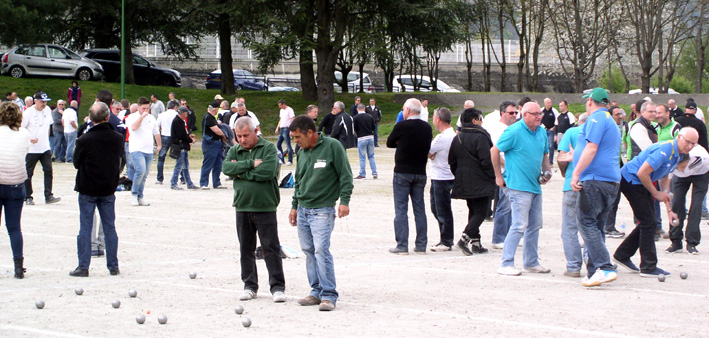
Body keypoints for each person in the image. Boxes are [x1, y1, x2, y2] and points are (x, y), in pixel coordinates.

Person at [288, 115, 353, 312]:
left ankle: (329, 295)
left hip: (323, 210)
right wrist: (294, 205)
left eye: (298, 137)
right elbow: (298, 180)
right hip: (303, 209)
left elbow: (345, 175)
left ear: (310, 132)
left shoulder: (332, 146)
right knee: (308, 251)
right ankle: (315, 291)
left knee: (321, 250)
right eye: (293, 138)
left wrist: (344, 201)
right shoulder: (302, 151)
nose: (295, 142)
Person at [613, 128, 698, 277]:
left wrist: (666, 197)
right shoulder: (665, 150)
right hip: (631, 179)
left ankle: (622, 255)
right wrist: (655, 192)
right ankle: (648, 266)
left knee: (648, 222)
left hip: (642, 182)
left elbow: (664, 175)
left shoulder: (678, 155)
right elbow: (642, 172)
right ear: (679, 137)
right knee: (649, 222)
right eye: (688, 142)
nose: (690, 146)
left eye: (693, 144)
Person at [223, 117, 286, 303]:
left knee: (271, 247)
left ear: (255, 131)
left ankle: (277, 287)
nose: (242, 140)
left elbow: (267, 172)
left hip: (265, 206)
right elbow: (226, 168)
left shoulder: (267, 148)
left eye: (246, 135)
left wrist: (239, 172)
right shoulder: (235, 150)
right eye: (239, 136)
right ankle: (250, 286)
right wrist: (250, 164)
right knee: (246, 249)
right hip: (242, 206)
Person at [569, 88, 622, 287]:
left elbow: (592, 147)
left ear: (590, 101)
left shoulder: (596, 119)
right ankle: (594, 271)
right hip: (609, 181)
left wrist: (576, 173)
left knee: (586, 223)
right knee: (597, 226)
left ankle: (604, 266)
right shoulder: (610, 120)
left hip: (595, 179)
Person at [492, 101, 551, 276]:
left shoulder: (541, 132)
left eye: (539, 113)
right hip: (517, 186)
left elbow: (544, 154)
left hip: (535, 186)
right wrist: (498, 176)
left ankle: (531, 262)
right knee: (519, 225)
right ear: (524, 115)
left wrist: (547, 171)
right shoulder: (514, 131)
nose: (539, 116)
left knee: (534, 225)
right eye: (535, 114)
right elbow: (494, 151)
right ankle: (506, 263)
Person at [69, 102, 124, 277]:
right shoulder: (117, 138)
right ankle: (113, 265)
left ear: (91, 119)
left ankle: (83, 266)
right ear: (107, 117)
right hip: (108, 186)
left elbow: (76, 162)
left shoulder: (85, 139)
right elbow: (121, 160)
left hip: (88, 186)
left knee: (85, 226)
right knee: (109, 226)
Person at [387, 98, 433, 254]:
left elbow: (389, 142)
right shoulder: (427, 128)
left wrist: (401, 143)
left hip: (402, 171)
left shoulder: (401, 126)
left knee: (401, 209)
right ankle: (421, 244)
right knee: (419, 209)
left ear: (407, 110)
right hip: (420, 171)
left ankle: (402, 244)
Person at [449, 108, 494, 255]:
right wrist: (492, 177)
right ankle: (464, 239)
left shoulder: (458, 137)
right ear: (474, 120)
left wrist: (459, 174)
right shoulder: (481, 137)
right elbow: (486, 161)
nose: (482, 122)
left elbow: (451, 161)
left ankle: (476, 243)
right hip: (480, 179)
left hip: (463, 179)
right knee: (482, 212)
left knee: (473, 210)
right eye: (481, 118)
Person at [0, 101, 31, 278]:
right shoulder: (24, 134)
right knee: (14, 228)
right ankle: (18, 266)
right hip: (16, 183)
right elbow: (25, 152)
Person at [484, 100, 518, 249]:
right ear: (502, 113)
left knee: (511, 205)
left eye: (516, 113)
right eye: (511, 113)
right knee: (504, 206)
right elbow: (496, 152)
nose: (514, 115)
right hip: (505, 172)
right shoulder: (500, 129)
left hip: (511, 171)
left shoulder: (512, 128)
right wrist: (507, 168)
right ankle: (499, 238)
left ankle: (508, 236)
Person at [557, 113, 587, 277]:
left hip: (572, 183)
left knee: (569, 227)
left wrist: (565, 174)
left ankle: (573, 266)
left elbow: (561, 158)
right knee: (591, 226)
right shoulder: (600, 132)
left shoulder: (571, 132)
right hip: (593, 182)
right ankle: (593, 262)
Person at [668, 144, 709, 255]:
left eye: (682, 167)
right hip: (681, 178)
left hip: (702, 174)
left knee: (696, 205)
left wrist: (683, 169)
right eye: (678, 167)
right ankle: (675, 241)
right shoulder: (671, 160)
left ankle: (692, 243)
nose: (680, 170)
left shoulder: (700, 158)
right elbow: (667, 180)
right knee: (676, 203)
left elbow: (686, 169)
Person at [22, 91, 61, 205]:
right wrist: (30, 138)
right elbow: (22, 128)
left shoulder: (48, 110)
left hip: (45, 147)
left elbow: (48, 125)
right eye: (42, 101)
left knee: (48, 170)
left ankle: (48, 195)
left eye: (45, 102)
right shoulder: (28, 112)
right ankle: (28, 196)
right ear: (35, 101)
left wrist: (47, 140)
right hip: (32, 148)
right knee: (28, 173)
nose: (44, 104)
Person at [428, 107, 456, 252]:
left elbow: (428, 152)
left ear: (438, 119)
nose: (433, 121)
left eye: (433, 118)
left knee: (441, 209)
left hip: (441, 177)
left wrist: (432, 154)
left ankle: (446, 240)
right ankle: (445, 238)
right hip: (444, 175)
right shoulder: (451, 134)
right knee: (438, 208)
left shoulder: (442, 137)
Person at [124, 97, 161, 206]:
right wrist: (141, 117)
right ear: (138, 107)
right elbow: (134, 128)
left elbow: (156, 132)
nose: (146, 110)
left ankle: (140, 196)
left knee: (144, 174)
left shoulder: (151, 118)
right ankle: (134, 194)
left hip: (148, 149)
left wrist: (159, 145)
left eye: (147, 108)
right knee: (140, 170)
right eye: (143, 108)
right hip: (137, 148)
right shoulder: (131, 117)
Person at [170, 107, 199, 190]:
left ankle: (189, 183)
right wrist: (190, 140)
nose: (187, 115)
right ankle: (173, 183)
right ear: (182, 113)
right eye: (186, 113)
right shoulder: (177, 121)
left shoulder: (179, 121)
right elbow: (181, 135)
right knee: (179, 166)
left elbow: (182, 134)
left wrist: (188, 136)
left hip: (182, 146)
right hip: (180, 146)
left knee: (185, 166)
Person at [200, 101, 227, 190]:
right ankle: (203, 183)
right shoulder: (208, 117)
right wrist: (223, 134)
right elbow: (215, 129)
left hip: (217, 143)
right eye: (217, 109)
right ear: (215, 109)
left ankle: (216, 182)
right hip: (210, 143)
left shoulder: (212, 118)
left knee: (218, 163)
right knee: (208, 163)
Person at [155, 101, 179, 185]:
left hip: (165, 136)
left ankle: (159, 178)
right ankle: (182, 177)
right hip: (175, 136)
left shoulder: (162, 115)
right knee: (179, 157)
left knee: (161, 158)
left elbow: (157, 126)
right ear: (175, 107)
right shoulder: (176, 114)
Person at [352, 103, 377, 179]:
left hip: (361, 138)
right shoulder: (370, 116)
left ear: (357, 109)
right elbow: (374, 127)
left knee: (362, 157)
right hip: (370, 137)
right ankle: (374, 173)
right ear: (364, 109)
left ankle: (362, 174)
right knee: (371, 156)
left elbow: (354, 129)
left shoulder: (355, 118)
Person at [275, 99, 295, 165]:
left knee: (288, 144)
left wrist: (292, 130)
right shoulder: (281, 111)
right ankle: (281, 159)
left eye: (280, 105)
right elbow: (280, 119)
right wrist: (277, 128)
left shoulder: (289, 110)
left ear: (284, 104)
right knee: (278, 144)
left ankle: (290, 160)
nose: (279, 107)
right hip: (282, 128)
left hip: (287, 128)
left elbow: (292, 120)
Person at [541, 98, 559, 165]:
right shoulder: (542, 110)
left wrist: (554, 128)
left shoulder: (554, 111)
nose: (549, 104)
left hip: (551, 130)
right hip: (543, 130)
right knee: (543, 145)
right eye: (548, 102)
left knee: (551, 146)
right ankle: (543, 161)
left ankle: (550, 161)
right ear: (545, 103)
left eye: (550, 102)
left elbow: (557, 121)